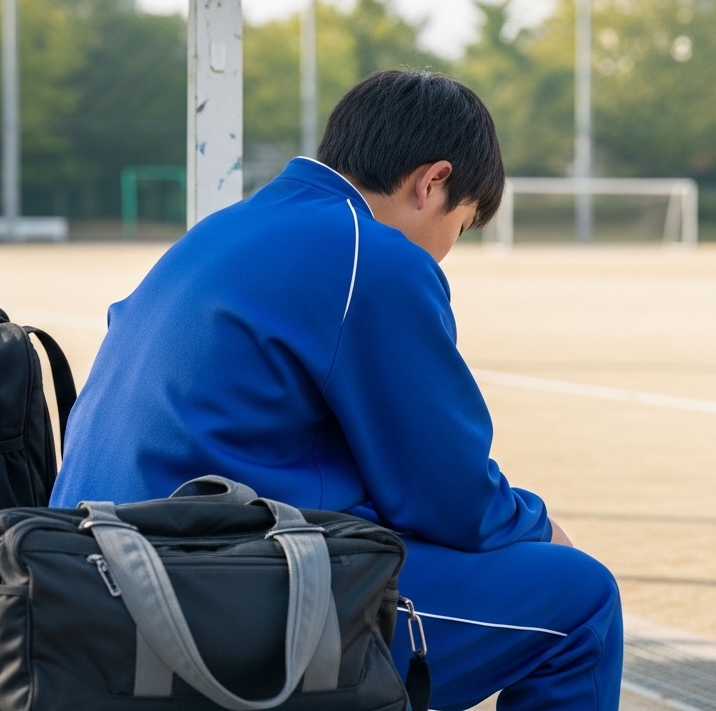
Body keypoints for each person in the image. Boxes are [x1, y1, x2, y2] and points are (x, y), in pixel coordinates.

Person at [51, 69, 624, 711]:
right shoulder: (370, 255)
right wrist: (539, 526)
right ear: (432, 182)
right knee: (581, 598)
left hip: (84, 581)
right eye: (459, 228)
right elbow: (450, 499)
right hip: (200, 604)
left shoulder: (224, 230)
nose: (444, 252)